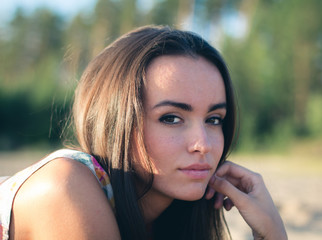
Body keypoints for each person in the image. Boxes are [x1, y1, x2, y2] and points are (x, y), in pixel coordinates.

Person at [0, 25, 287, 240]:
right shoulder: (65, 187)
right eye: (171, 118)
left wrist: (271, 233)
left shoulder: (168, 219)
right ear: (116, 122)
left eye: (214, 119)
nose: (203, 144)